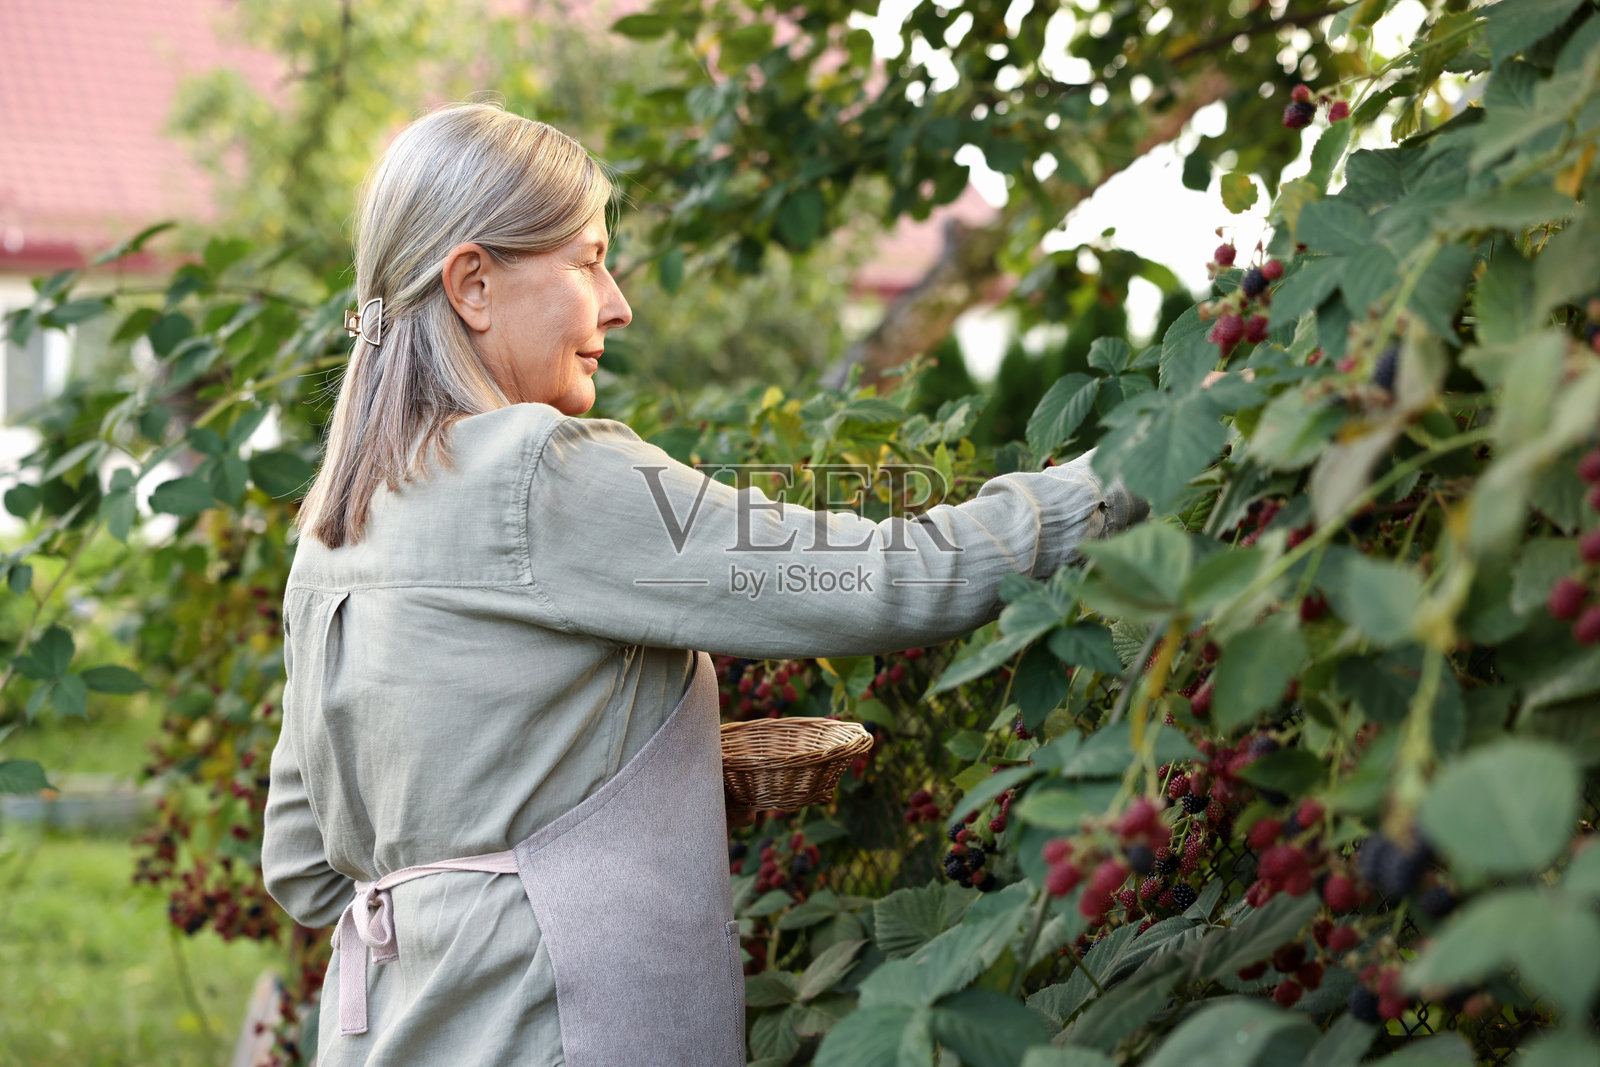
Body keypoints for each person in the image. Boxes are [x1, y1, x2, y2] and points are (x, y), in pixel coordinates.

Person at [261, 101, 1147, 1066]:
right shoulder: (540, 472)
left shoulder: (336, 526)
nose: (616, 302)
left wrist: (623, 771)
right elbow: (896, 576)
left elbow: (304, 866)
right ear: (473, 282)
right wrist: (1138, 463)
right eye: (586, 259)